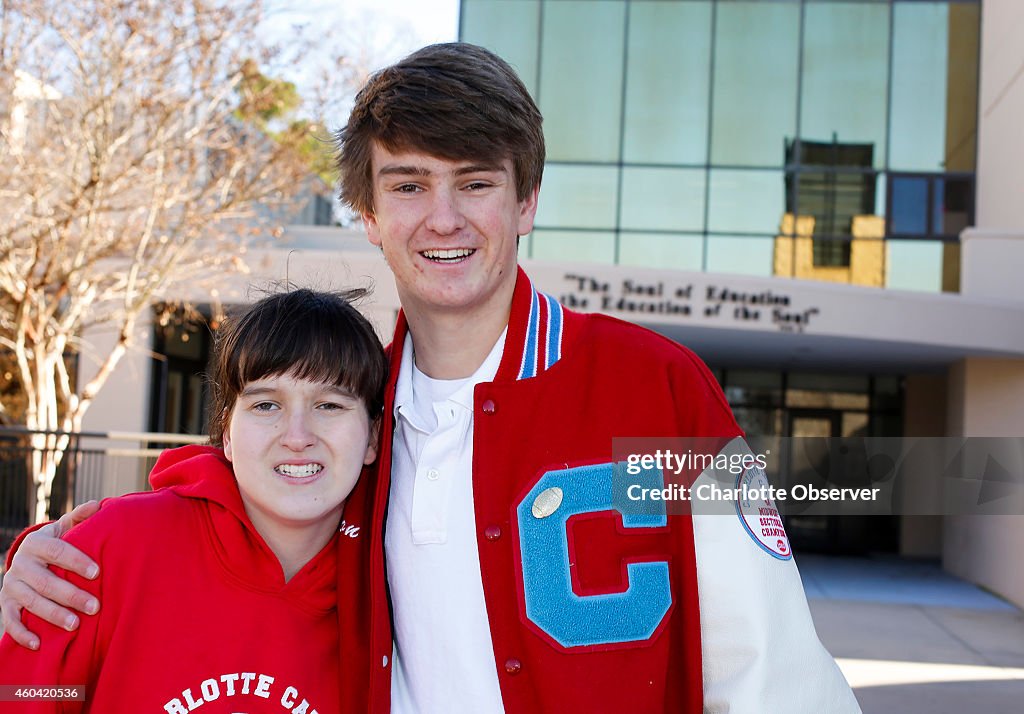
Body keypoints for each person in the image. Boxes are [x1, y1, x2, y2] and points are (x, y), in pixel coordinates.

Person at [1, 43, 860, 713]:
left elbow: (772, 671)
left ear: (525, 202)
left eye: (475, 183)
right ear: (369, 215)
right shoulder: (355, 422)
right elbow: (224, 523)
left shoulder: (659, 391)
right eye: (408, 185)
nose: (442, 218)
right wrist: (40, 559)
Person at [0, 288, 386, 712]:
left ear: (372, 436)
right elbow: (24, 696)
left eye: (330, 405)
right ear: (227, 433)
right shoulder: (116, 548)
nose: (297, 437)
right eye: (265, 405)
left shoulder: (388, 595)